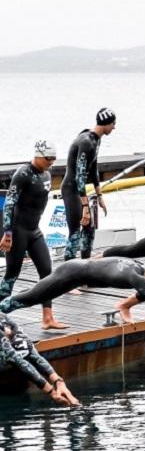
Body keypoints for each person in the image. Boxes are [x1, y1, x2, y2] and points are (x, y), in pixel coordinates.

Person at [0, 257, 145, 338]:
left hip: (79, 271)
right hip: (71, 273)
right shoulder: (135, 278)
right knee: (29, 298)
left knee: (31, 298)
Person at [1, 141, 67, 330]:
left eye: (54, 158)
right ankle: (0, 317)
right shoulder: (23, 174)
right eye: (48, 158)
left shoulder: (46, 172)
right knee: (11, 275)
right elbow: (9, 204)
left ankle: (47, 318)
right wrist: (7, 232)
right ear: (38, 155)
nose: (52, 162)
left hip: (34, 230)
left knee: (47, 273)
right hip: (18, 231)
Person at [62, 107, 115, 260]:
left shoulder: (96, 139)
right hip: (71, 189)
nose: (114, 127)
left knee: (89, 230)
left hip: (79, 189)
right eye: (113, 123)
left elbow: (93, 168)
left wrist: (99, 196)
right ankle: (68, 276)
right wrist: (85, 206)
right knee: (75, 233)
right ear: (105, 123)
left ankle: (85, 268)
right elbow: (79, 175)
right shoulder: (86, 142)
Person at [0, 313, 79, 406]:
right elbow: (17, 360)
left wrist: (59, 382)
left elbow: (32, 358)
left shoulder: (10, 325)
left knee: (21, 353)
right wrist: (52, 393)